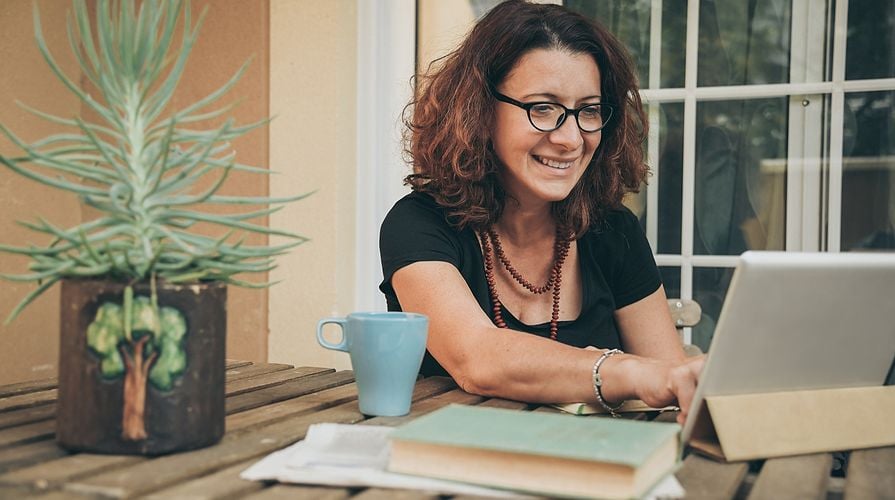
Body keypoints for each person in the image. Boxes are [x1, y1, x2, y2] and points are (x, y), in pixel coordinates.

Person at [379, 0, 703, 424]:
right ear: (480, 109)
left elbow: (671, 378)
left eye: (588, 110)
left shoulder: (614, 230)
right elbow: (477, 359)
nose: (570, 139)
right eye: (543, 108)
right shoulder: (419, 223)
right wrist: (626, 369)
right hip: (455, 469)